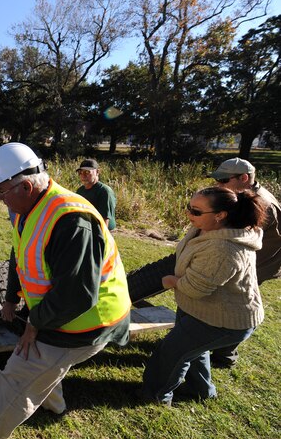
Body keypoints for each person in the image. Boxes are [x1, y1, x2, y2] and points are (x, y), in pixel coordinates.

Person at [0, 142, 131, 439]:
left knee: (18, 376)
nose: (2, 200)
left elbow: (78, 295)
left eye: (3, 193)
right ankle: (54, 406)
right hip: (61, 312)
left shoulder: (72, 221)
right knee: (43, 367)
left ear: (27, 186)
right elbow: (19, 253)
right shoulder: (30, 208)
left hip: (86, 321)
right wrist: (9, 298)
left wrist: (34, 323)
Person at [127, 157, 281, 367]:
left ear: (244, 178)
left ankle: (222, 354)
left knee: (229, 306)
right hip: (220, 257)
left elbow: (238, 242)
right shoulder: (234, 198)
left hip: (249, 265)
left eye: (223, 181)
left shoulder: (262, 204)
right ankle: (202, 346)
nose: (218, 185)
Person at [140, 186, 266, 405]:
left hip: (225, 321)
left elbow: (194, 288)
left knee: (170, 353)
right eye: (189, 207)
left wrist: (170, 281)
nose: (189, 214)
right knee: (194, 350)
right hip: (201, 309)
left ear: (220, 215)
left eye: (196, 212)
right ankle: (201, 391)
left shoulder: (224, 249)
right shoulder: (206, 228)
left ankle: (156, 396)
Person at [75, 158, 117, 230]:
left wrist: (102, 238)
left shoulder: (104, 191)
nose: (83, 175)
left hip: (103, 231)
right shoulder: (80, 191)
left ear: (97, 172)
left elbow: (105, 219)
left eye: (87, 172)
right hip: (86, 228)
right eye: (80, 172)